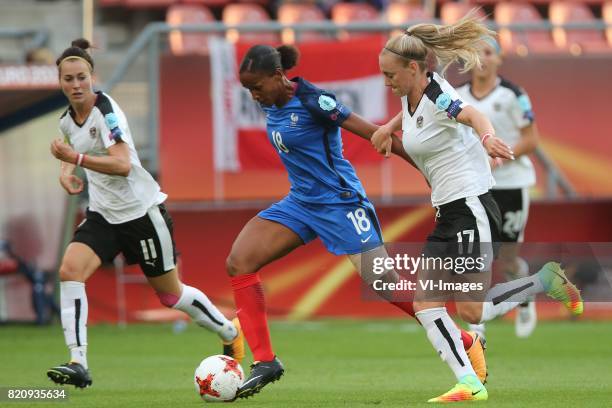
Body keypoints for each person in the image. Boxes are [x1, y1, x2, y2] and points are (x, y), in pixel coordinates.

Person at [228, 43, 488, 400]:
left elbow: (375, 134)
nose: (254, 95)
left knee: (385, 284)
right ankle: (265, 361)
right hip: (301, 203)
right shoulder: (273, 103)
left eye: (257, 87)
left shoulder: (316, 102)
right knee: (240, 261)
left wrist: (428, 172)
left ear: (278, 76)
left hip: (341, 204)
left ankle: (464, 339)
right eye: (248, 90)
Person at [371, 13, 583, 402]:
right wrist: (389, 127)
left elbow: (469, 113)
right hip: (447, 211)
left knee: (472, 310)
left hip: (471, 207)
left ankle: (542, 282)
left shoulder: (439, 95)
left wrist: (486, 137)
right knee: (426, 303)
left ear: (414, 68)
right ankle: (469, 383)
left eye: (390, 74)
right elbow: (412, 109)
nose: (387, 81)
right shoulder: (412, 91)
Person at [47, 39, 244, 389]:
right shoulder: (67, 120)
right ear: (60, 82)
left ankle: (228, 330)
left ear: (93, 76)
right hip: (104, 215)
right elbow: (71, 152)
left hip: (141, 213)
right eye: (68, 79)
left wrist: (75, 160)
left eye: (81, 77)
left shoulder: (106, 113)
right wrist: (68, 174)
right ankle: (78, 362)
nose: (76, 85)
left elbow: (122, 165)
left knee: (171, 295)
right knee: (69, 270)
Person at [456, 38, 539, 339]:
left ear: (499, 59)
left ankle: (525, 294)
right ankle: (477, 326)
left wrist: (502, 156)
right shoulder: (457, 97)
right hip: (475, 185)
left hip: (511, 184)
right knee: (478, 255)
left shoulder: (513, 95)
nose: (482, 59)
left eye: (488, 53)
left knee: (507, 257)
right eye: (475, 53)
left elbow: (531, 140)